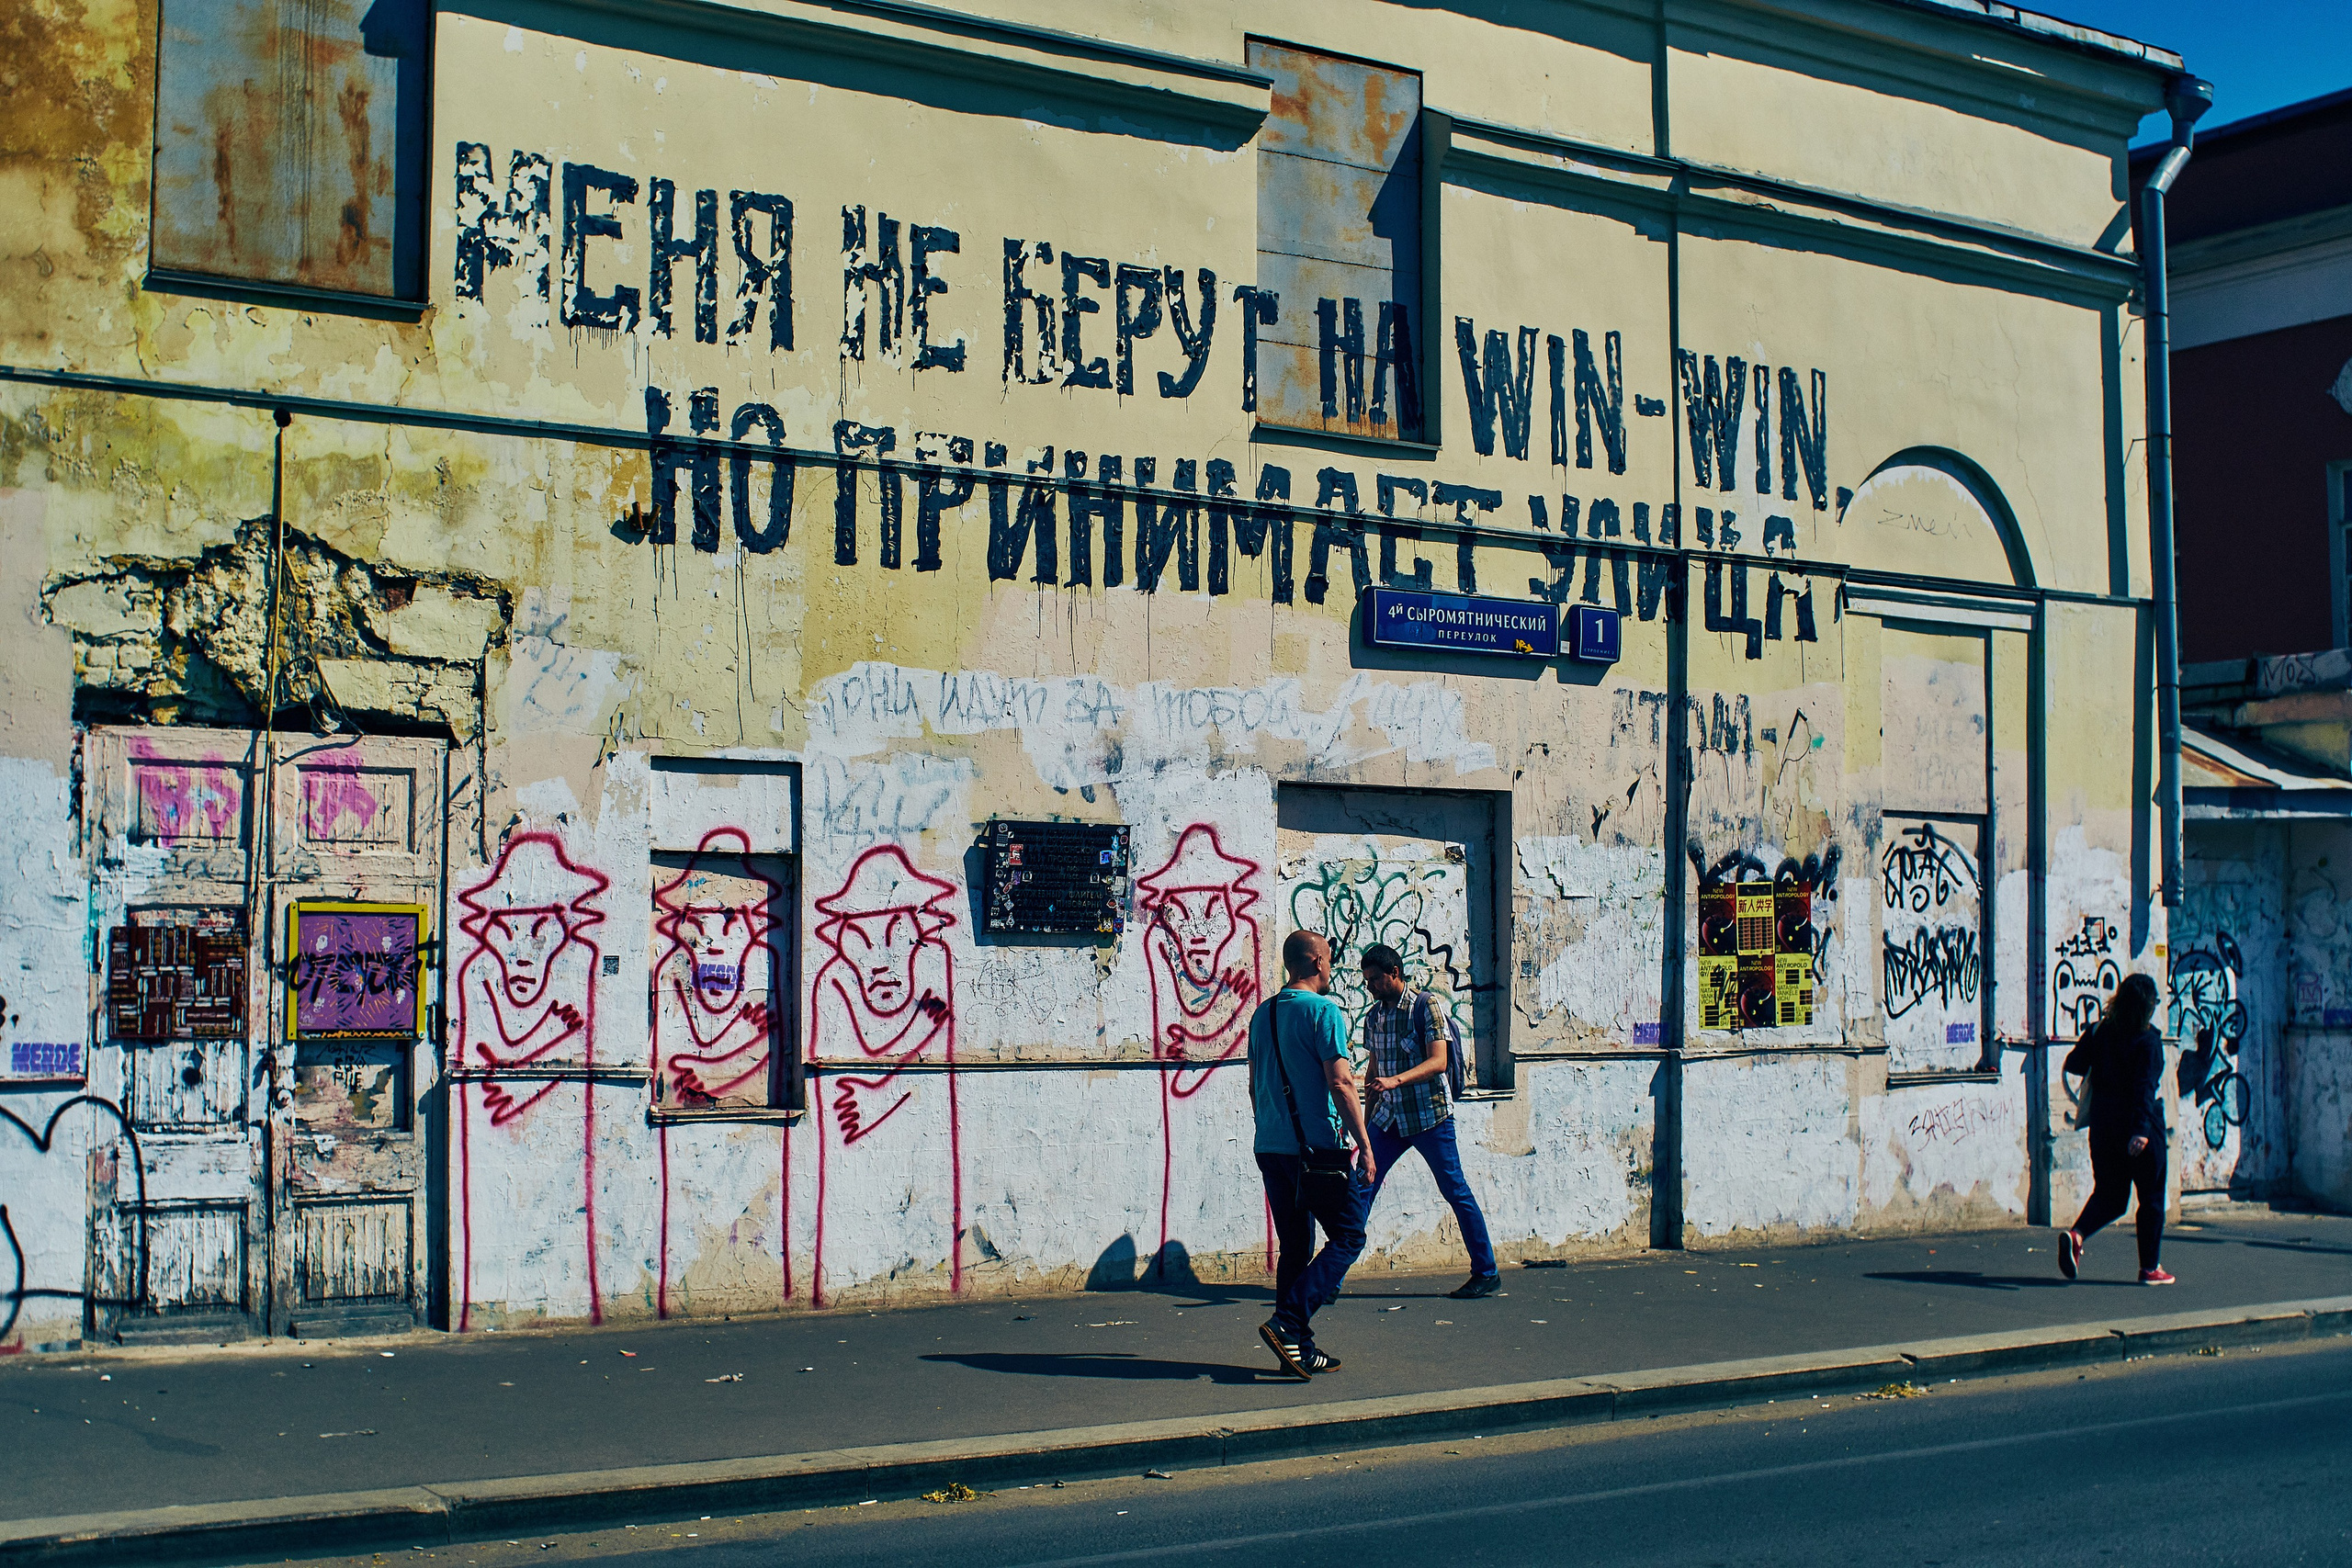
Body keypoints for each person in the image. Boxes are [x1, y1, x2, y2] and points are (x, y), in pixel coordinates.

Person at [1249, 930, 1375, 1379]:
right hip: (1316, 1150)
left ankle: (1297, 1349)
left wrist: (1274, 1130)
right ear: (1318, 961)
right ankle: (1288, 1322)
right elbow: (1340, 1083)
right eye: (1330, 958)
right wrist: (1364, 1144)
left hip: (1270, 1145)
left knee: (1296, 1246)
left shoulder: (1262, 1014)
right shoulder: (1324, 1011)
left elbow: (1254, 1086)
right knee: (1349, 1236)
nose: (1331, 965)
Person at [1357, 943, 1501, 1300]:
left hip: (1429, 1116)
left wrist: (1396, 1081)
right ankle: (1329, 1278)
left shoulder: (1425, 1006)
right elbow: (1373, 1073)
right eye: (1366, 980)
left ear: (1394, 973)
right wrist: (1364, 1133)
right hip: (1388, 1119)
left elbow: (1439, 1061)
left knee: (1454, 1189)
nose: (1370, 986)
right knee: (1361, 1188)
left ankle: (1486, 1272)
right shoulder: (1374, 1017)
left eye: (1374, 979)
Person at [2057, 972, 2175, 1285]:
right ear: (2148, 1006)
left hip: (2103, 1127)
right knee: (2151, 1198)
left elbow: (2075, 1064)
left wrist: (2098, 1047)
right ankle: (2149, 1268)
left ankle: (2077, 1235)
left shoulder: (2101, 1031)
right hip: (2140, 1129)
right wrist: (2141, 1131)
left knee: (2110, 1195)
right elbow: (2145, 1088)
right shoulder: (2148, 1041)